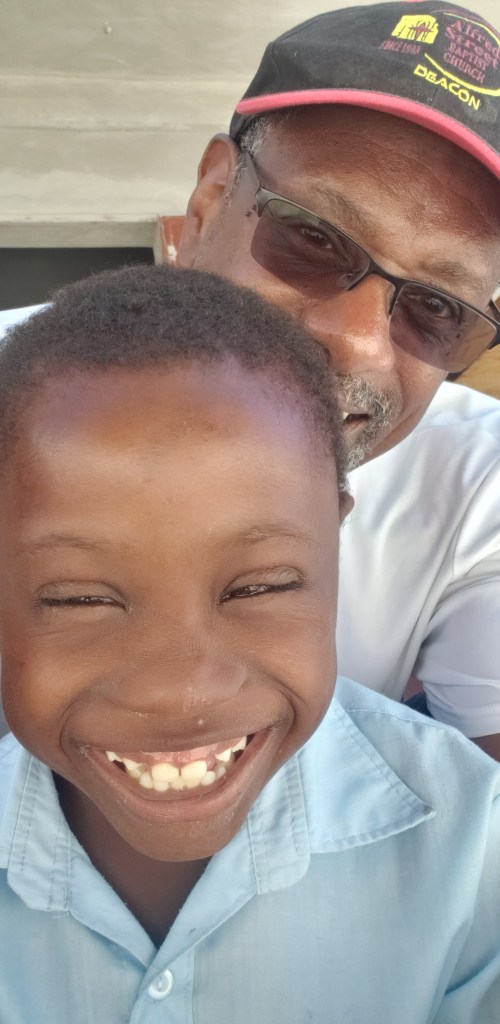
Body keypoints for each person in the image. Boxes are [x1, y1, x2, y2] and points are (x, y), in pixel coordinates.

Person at [0, 264, 499, 1023]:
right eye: (80, 599)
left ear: (335, 536)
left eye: (259, 588)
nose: (182, 690)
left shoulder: (471, 853)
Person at [1, 1, 500, 756]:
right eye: (313, 238)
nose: (358, 344)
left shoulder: (477, 487)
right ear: (208, 204)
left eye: (438, 307)